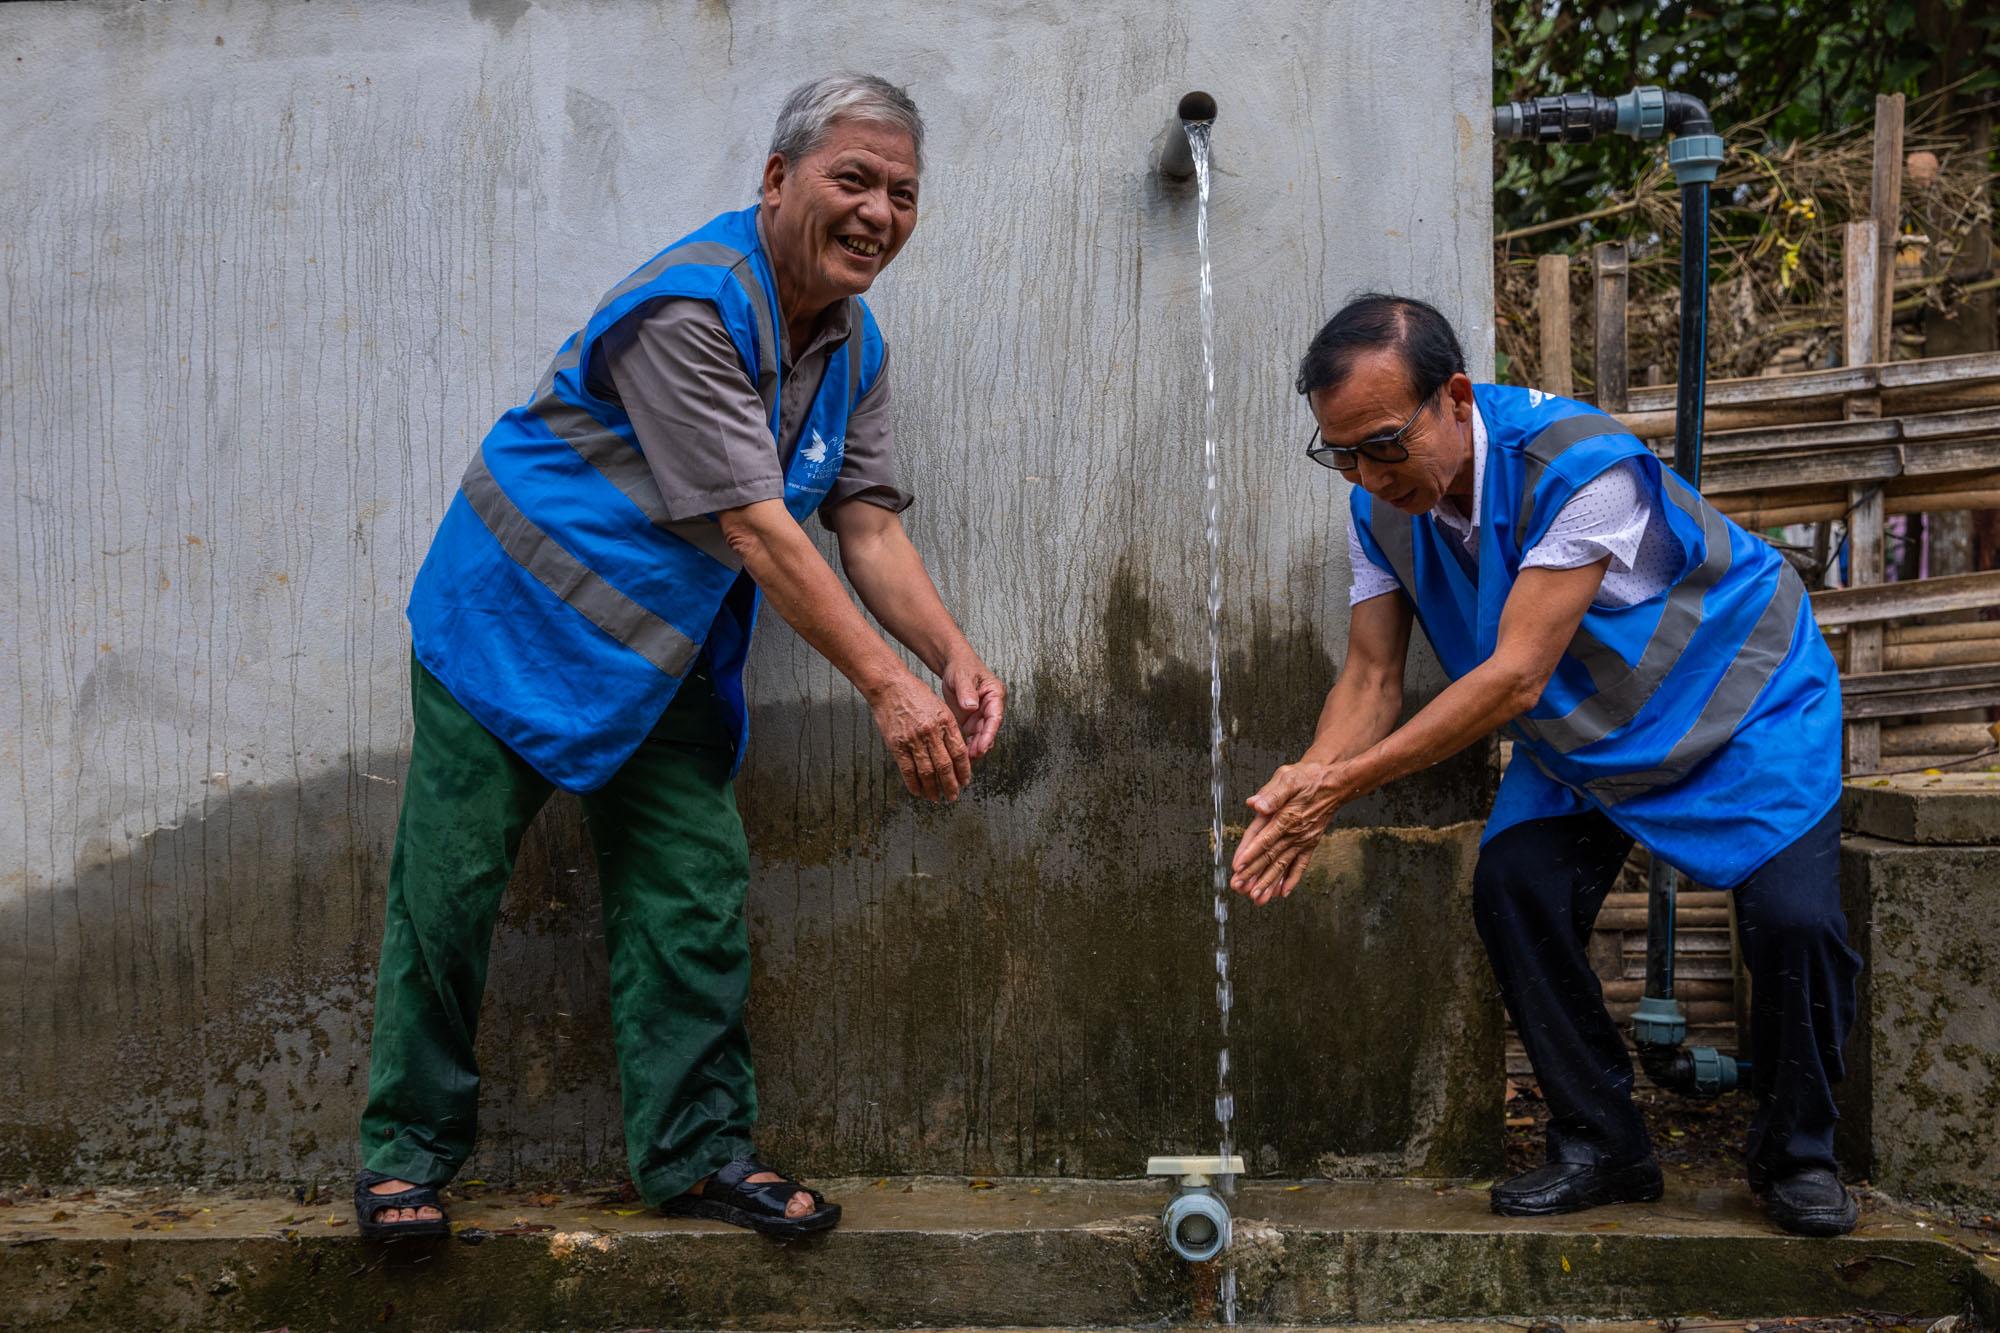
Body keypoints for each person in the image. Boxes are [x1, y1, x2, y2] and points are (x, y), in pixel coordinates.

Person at [354, 73, 1004, 1240]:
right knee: (446, 895)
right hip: (510, 622)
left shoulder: (853, 348)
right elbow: (759, 527)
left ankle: (697, 1155)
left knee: (692, 899)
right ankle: (406, 1156)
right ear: (774, 180)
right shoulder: (690, 309)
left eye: (901, 193)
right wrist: (886, 687)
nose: (877, 212)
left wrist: (951, 655)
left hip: (661, 654)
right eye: (851, 179)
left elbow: (866, 524)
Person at [1231, 293, 1861, 1237]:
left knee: (1798, 922)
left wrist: (1342, 786)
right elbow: (1369, 679)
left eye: (1383, 443)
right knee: (1516, 884)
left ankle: (1798, 1155)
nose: (1365, 472)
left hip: (1740, 699)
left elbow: (1516, 677)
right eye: (1342, 453)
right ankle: (1604, 1140)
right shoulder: (1382, 510)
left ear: (1453, 397)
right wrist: (1305, 784)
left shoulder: (1579, 464)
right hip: (1588, 729)